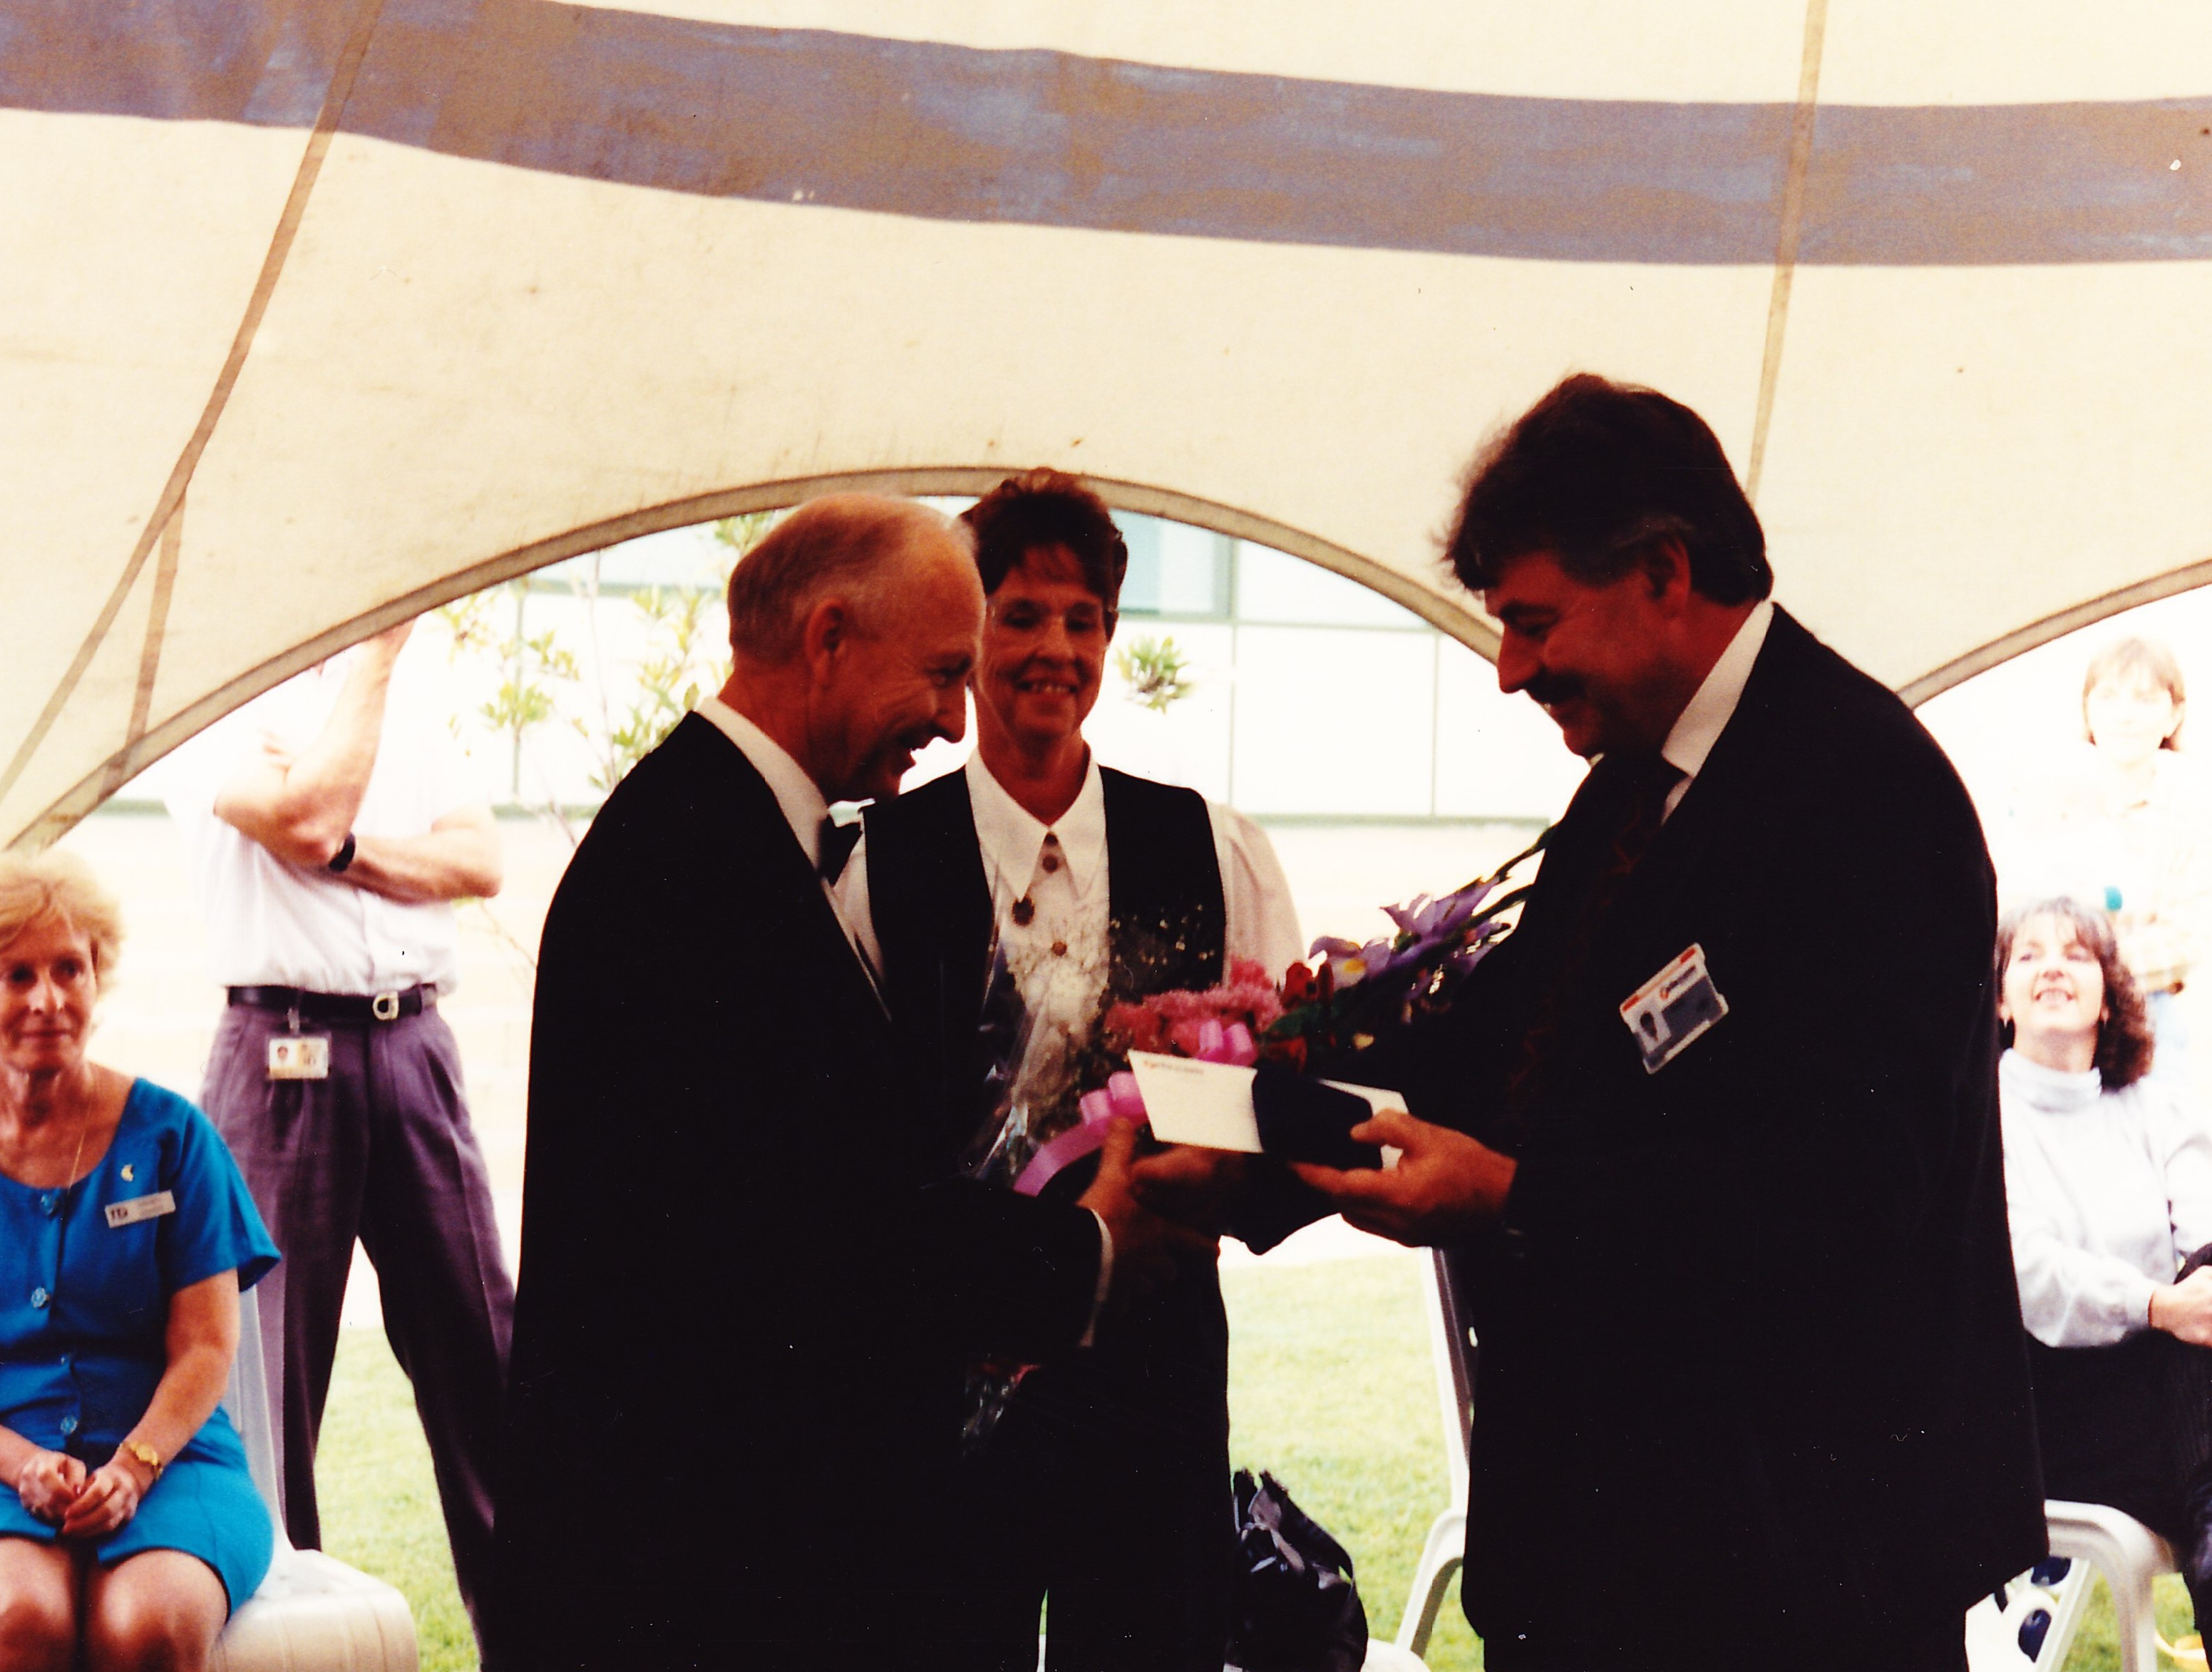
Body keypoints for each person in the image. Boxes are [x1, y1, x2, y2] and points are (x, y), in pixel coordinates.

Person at [1292, 374, 2044, 1668]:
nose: (1509, 672)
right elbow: (1505, 1044)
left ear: (1662, 573)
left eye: (1533, 623)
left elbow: (1856, 1192)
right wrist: (1260, 1110)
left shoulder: (1865, 790)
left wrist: (1514, 1196)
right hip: (1624, 1551)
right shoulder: (1636, 787)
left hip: (1795, 1572)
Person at [490, 492, 1210, 1672]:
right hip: (677, 1564)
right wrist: (1085, 1250)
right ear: (828, 637)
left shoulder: (715, 826)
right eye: (940, 672)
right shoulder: (698, 865)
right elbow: (829, 1229)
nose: (950, 716)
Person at [845, 469, 1303, 1671]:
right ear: (971, 636)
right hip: (953, 1371)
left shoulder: (1209, 844)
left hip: (1152, 1358)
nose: (1055, 648)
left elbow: (1281, 1095)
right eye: (1021, 616)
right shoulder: (874, 863)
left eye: (1082, 619)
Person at [160, 617, 513, 1662]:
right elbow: (303, 816)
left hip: (417, 1043)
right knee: (262, 1378)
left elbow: (479, 858)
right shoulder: (214, 688)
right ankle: (282, 1643)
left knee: (486, 1360)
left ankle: (536, 1635)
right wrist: (377, 659)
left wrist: (352, 852)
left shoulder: (417, 687)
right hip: (281, 1046)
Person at [0, 850, 279, 1672]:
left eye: (68, 968)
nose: (48, 997)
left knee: (150, 1624)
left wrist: (135, 1465)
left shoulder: (175, 1137)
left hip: (171, 1458)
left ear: (96, 975)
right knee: (19, 1618)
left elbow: (205, 1347)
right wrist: (22, 1463)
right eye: (16, 974)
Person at [1997, 895, 2212, 1653]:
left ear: (2108, 998)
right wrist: (2157, 1303)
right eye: (2028, 954)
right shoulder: (1982, 1118)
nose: (2053, 967)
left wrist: (2189, 1298)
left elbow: (2209, 1247)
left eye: (2076, 953)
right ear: (1999, 1000)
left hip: (2175, 1394)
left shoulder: (2157, 1110)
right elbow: (2029, 1272)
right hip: (2057, 1403)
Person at [1997, 637, 2212, 1083]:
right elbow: (2014, 908)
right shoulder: (2047, 795)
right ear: (2087, 709)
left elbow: (2184, 939)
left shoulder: (2191, 814)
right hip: (2047, 1007)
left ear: (2174, 715)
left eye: (2145, 699)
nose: (2125, 714)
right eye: (2109, 697)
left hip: (2145, 1009)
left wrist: (2090, 973)